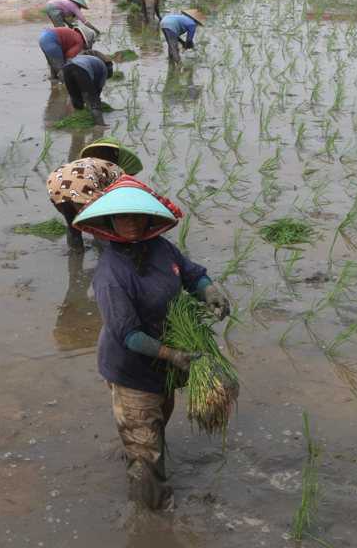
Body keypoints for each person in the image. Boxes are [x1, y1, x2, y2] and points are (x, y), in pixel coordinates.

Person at [73, 175, 230, 510]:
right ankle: (151, 518)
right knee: (146, 452)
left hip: (165, 369)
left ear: (148, 217)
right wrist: (171, 354)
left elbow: (189, 273)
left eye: (137, 214)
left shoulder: (160, 248)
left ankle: (138, 457)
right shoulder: (111, 273)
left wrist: (209, 290)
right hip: (133, 369)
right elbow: (127, 333)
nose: (131, 222)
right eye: (123, 216)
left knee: (154, 429)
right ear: (109, 221)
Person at [47, 137, 144, 251]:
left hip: (55, 183)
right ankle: (108, 255)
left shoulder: (88, 163)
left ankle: (76, 251)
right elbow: (119, 197)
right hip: (82, 186)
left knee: (73, 224)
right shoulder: (116, 169)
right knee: (100, 226)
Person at [61, 51, 114, 126]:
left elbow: (82, 87)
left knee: (76, 98)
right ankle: (100, 125)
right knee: (94, 101)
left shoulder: (89, 59)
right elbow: (97, 89)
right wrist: (94, 101)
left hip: (66, 68)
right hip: (81, 69)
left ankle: (78, 121)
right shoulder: (103, 68)